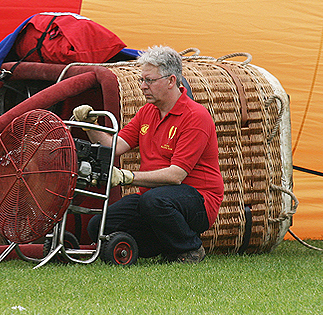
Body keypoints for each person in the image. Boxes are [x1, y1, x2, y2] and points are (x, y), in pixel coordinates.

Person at [73, 46, 223, 263]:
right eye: (142, 80)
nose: (143, 86)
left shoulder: (195, 116)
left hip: (198, 200)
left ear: (171, 81)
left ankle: (190, 249)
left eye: (149, 80)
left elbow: (176, 176)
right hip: (155, 200)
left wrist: (127, 177)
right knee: (98, 225)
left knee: (153, 201)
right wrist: (90, 126)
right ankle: (160, 245)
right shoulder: (147, 112)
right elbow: (114, 146)